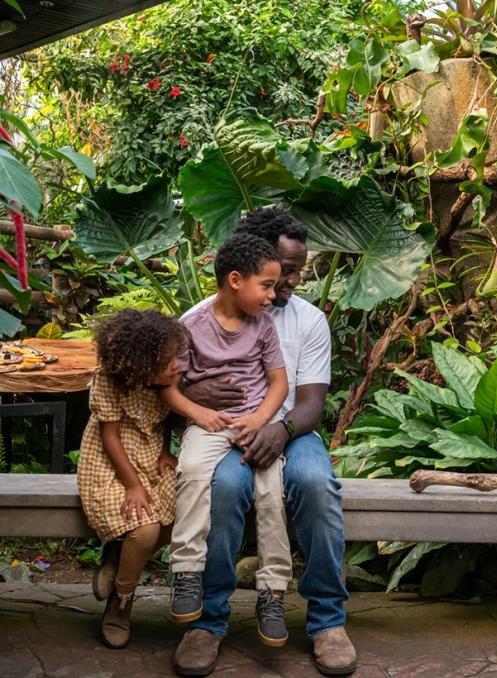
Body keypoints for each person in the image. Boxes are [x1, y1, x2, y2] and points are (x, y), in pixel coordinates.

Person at [174, 207, 356, 677]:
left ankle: (327, 623)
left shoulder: (309, 320)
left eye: (294, 271)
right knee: (226, 488)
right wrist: (196, 394)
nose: (291, 281)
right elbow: (168, 385)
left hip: (292, 431)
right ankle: (206, 623)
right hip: (228, 431)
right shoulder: (196, 320)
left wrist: (279, 430)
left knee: (316, 484)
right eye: (283, 270)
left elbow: (312, 402)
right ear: (250, 267)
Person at [162, 232, 292, 648]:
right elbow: (169, 387)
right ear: (235, 280)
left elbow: (279, 383)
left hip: (253, 423)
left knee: (272, 491)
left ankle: (272, 591)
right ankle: (186, 572)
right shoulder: (191, 326)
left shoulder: (263, 326)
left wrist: (258, 420)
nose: (273, 295)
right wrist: (198, 413)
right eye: (267, 285)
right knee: (195, 470)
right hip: (209, 423)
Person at [77, 309, 185, 649]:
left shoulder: (170, 379)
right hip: (111, 461)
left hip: (150, 452)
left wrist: (166, 452)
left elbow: (165, 419)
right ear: (142, 364)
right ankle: (121, 604)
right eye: (168, 361)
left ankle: (116, 557)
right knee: (145, 526)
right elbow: (110, 437)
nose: (177, 366)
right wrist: (134, 486)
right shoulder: (111, 379)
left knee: (178, 517)